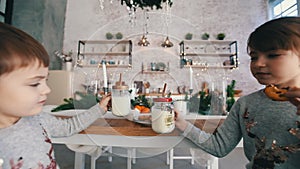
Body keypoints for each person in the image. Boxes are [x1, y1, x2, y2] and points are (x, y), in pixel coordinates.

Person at [175, 16, 300, 169]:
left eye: (273, 55)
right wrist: (182, 124)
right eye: (254, 57)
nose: (259, 64)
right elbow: (219, 146)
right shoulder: (245, 104)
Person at [0, 22, 111, 169]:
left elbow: (69, 127)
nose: (47, 90)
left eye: (45, 80)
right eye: (34, 84)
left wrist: (100, 108)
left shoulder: (38, 120)